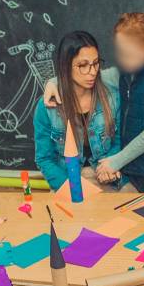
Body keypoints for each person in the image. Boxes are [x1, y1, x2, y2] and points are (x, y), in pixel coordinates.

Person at [42, 13, 144, 192]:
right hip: (130, 168)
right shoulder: (123, 73)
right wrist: (52, 82)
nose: (123, 57)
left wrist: (116, 161)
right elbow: (82, 75)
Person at [33, 30, 122, 192]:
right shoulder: (47, 107)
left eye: (96, 63)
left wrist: (111, 164)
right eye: (83, 65)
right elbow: (44, 158)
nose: (93, 71)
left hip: (105, 178)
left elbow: (119, 141)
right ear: (66, 66)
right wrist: (71, 187)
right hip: (66, 180)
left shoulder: (111, 98)